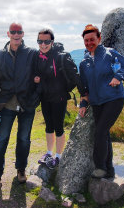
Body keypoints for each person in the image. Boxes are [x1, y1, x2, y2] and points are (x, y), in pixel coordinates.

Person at [0, 23, 39, 191]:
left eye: (19, 32)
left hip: (27, 105)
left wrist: (35, 99)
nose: (16, 34)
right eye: (13, 32)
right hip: (6, 105)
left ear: (23, 34)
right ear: (8, 34)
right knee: (1, 140)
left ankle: (21, 170)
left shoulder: (32, 54)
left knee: (24, 140)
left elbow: (41, 75)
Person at [78, 24, 124, 179]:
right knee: (105, 134)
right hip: (96, 103)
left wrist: (118, 77)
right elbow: (85, 89)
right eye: (86, 40)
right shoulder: (84, 63)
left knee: (100, 132)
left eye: (92, 39)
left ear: (99, 38)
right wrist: (83, 105)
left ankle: (100, 167)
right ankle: (109, 169)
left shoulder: (110, 53)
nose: (89, 43)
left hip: (113, 99)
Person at [33, 29, 83, 169]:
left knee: (58, 128)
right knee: (49, 126)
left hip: (59, 98)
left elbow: (74, 76)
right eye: (40, 41)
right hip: (45, 97)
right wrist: (36, 79)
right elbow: (38, 74)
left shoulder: (61, 56)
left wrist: (83, 93)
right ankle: (49, 153)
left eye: (46, 41)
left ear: (52, 42)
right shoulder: (38, 56)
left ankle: (58, 157)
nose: (43, 44)